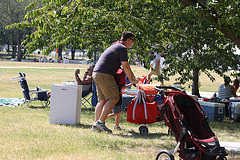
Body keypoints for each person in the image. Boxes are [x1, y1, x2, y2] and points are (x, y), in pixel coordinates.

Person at [91, 31, 139, 133]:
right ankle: (100, 123)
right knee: (114, 98)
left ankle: (96, 125)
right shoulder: (122, 48)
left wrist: (133, 78)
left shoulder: (115, 45)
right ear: (128, 40)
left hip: (96, 73)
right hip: (105, 75)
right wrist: (132, 80)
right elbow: (126, 66)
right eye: (133, 40)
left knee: (102, 100)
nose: (133, 43)